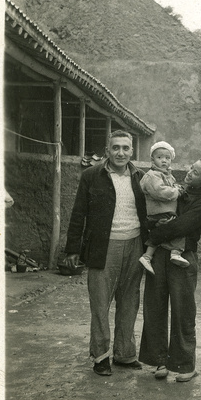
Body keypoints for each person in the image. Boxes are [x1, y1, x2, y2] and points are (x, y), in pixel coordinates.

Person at [64, 130, 148, 377]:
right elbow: (79, 212)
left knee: (129, 302)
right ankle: (101, 356)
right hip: (103, 247)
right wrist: (72, 248)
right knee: (100, 304)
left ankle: (124, 354)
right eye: (115, 148)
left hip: (135, 245)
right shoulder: (91, 176)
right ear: (107, 151)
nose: (120, 153)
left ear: (132, 151)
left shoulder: (140, 177)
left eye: (125, 148)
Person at [138, 158, 201, 382]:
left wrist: (154, 234)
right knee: (155, 307)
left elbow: (181, 225)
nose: (190, 173)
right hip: (160, 255)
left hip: (182, 257)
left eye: (196, 172)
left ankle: (185, 365)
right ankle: (159, 361)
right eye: (191, 168)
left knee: (183, 312)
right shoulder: (174, 189)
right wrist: (156, 226)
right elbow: (151, 214)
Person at [138, 141, 188, 274]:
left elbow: (170, 187)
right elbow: (160, 191)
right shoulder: (152, 175)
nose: (164, 161)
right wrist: (176, 192)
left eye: (167, 158)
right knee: (178, 229)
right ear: (152, 159)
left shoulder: (167, 175)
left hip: (164, 211)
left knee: (160, 234)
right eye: (159, 157)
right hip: (159, 211)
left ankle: (147, 256)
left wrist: (176, 187)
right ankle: (175, 252)